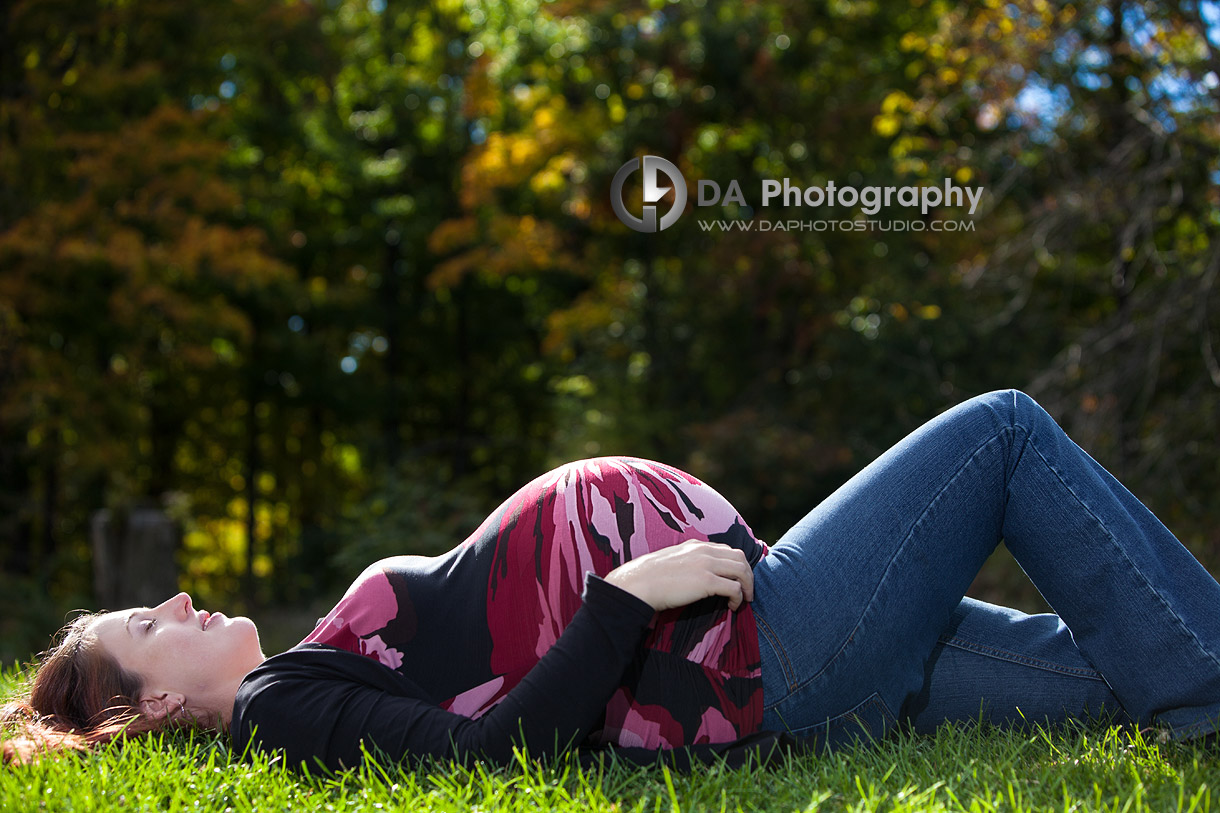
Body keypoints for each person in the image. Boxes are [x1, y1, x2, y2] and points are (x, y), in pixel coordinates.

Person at [6, 390, 1220, 770]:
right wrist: (627, 592)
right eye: (144, 625)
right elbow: (495, 756)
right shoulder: (280, 707)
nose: (173, 601)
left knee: (1100, 673)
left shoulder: (304, 673)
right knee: (1002, 433)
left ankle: (1187, 682)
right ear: (151, 706)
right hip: (758, 653)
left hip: (762, 648)